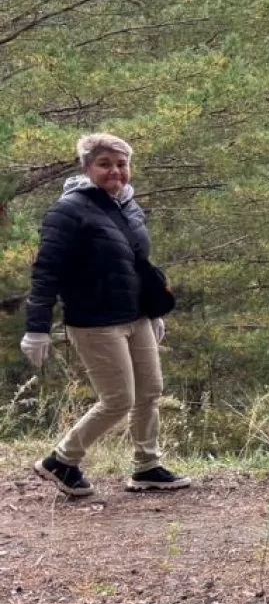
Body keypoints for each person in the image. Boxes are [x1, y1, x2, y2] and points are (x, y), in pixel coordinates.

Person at [23, 133, 187, 496]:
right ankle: (61, 461)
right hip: (94, 321)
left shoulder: (126, 205)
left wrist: (153, 309)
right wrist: (37, 328)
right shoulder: (68, 211)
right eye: (105, 164)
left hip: (135, 315)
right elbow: (46, 271)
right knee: (118, 400)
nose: (115, 171)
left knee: (149, 390)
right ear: (87, 168)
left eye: (121, 164)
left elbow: (136, 263)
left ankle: (147, 466)